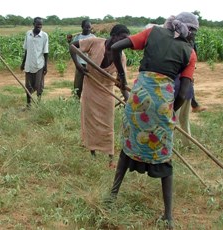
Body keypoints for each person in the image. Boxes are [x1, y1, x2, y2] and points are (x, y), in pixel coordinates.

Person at [108, 12, 199, 228]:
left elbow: (115, 47)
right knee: (164, 154)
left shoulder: (152, 32)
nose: (195, 35)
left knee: (128, 146)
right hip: (162, 104)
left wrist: (121, 77)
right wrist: (170, 111)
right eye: (194, 31)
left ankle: (111, 196)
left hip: (138, 98)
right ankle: (168, 216)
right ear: (188, 29)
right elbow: (184, 90)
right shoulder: (190, 53)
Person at [69, 24, 130, 168]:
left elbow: (122, 83)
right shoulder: (95, 42)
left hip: (106, 90)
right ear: (113, 36)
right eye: (121, 39)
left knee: (107, 123)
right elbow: (72, 46)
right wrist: (78, 65)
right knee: (91, 121)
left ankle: (110, 158)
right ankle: (93, 153)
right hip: (91, 86)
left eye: (125, 40)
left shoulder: (121, 57)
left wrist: (129, 100)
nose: (123, 43)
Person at [21, 17, 49, 108]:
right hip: (29, 64)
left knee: (39, 85)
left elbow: (46, 52)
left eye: (41, 25)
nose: (39, 26)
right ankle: (28, 104)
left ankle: (38, 104)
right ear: (34, 24)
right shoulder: (28, 34)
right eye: (37, 24)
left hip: (39, 64)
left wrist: (45, 66)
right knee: (28, 85)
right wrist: (23, 63)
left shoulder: (44, 36)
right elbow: (26, 50)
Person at [70, 19, 96, 99]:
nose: (88, 29)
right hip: (79, 64)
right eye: (86, 27)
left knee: (90, 85)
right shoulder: (77, 37)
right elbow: (72, 48)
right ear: (82, 27)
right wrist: (69, 41)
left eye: (89, 27)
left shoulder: (93, 38)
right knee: (78, 85)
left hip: (90, 64)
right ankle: (76, 101)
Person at [174, 77, 194, 148]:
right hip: (188, 90)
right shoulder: (187, 65)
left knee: (172, 121)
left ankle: (169, 146)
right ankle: (188, 144)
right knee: (185, 120)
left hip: (175, 93)